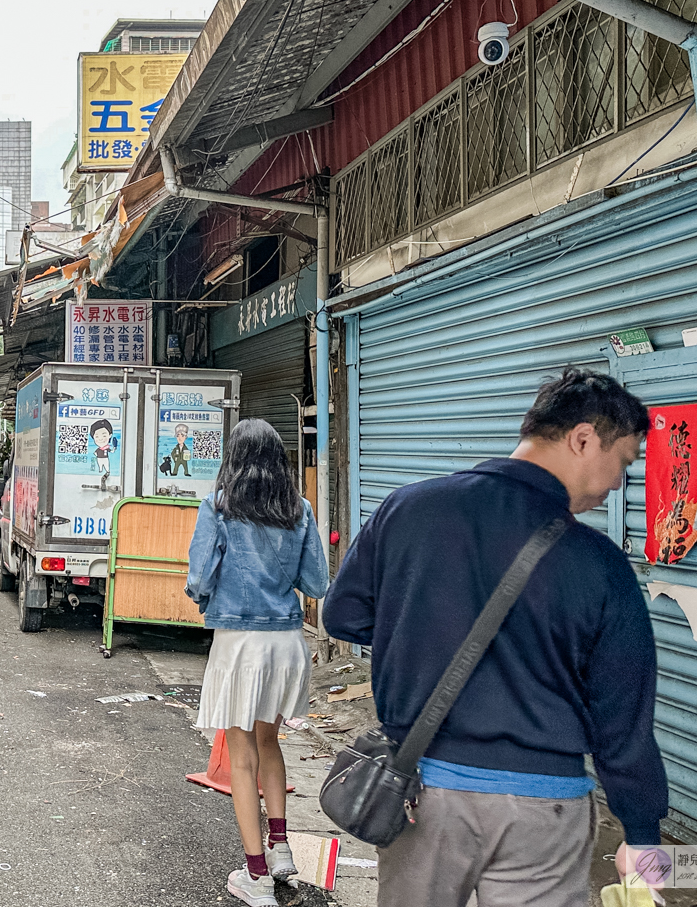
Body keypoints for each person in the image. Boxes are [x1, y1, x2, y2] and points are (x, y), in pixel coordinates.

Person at [321, 367, 663, 907]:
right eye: (622, 461)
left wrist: (418, 632)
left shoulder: (409, 509)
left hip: (423, 794)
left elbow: (342, 617)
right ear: (582, 438)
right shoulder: (600, 564)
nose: (620, 481)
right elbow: (623, 721)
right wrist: (642, 833)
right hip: (543, 811)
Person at [185, 418, 328, 907]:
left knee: (240, 754)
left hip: (241, 642)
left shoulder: (218, 506)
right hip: (287, 641)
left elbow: (200, 575)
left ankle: (256, 875)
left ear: (234, 458)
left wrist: (205, 599)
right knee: (270, 741)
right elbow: (317, 583)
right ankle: (281, 847)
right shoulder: (300, 509)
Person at [90, 418, 115, 491]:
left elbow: (111, 451)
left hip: (105, 458)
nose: (100, 439)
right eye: (97, 436)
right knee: (100, 465)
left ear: (110, 435)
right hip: (99, 459)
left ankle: (107, 471)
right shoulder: (98, 449)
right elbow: (95, 453)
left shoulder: (107, 448)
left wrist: (113, 449)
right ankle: (101, 469)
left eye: (104, 435)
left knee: (106, 465)